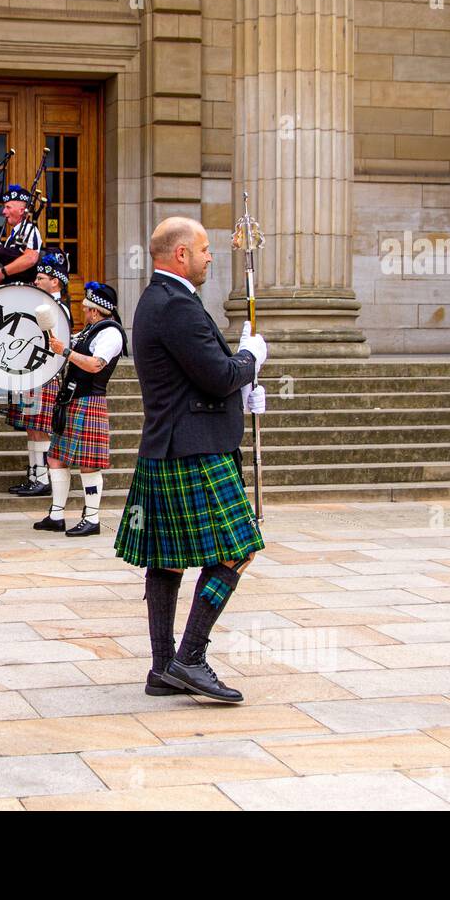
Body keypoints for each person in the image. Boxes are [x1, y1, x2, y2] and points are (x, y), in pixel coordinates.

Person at [113, 216, 268, 702]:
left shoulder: (162, 300)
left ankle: (163, 669)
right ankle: (190, 657)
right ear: (180, 254)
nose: (209, 256)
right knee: (238, 549)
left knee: (166, 562)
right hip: (190, 450)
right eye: (203, 249)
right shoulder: (175, 305)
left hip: (172, 443)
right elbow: (218, 373)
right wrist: (250, 360)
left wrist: (241, 396)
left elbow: (201, 382)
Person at [35, 280, 127, 537]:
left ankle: (92, 518)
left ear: (95, 310)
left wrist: (65, 351)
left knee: (88, 464)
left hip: (90, 400)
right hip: (71, 400)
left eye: (86, 308)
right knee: (55, 458)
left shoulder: (111, 333)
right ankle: (56, 515)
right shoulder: (88, 331)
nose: (83, 311)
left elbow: (96, 365)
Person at [5, 249, 72, 497]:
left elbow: (56, 344)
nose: (36, 281)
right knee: (32, 427)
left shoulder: (58, 309)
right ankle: (34, 474)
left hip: (45, 374)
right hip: (30, 373)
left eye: (41, 278)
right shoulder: (38, 304)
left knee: (40, 427)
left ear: (55, 281)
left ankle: (43, 478)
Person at [0, 184, 41, 288]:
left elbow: (31, 258)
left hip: (25, 292)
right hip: (13, 291)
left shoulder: (29, 230)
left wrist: (1, 273)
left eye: (8, 207)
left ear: (22, 211)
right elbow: (15, 268)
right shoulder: (12, 235)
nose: (3, 212)